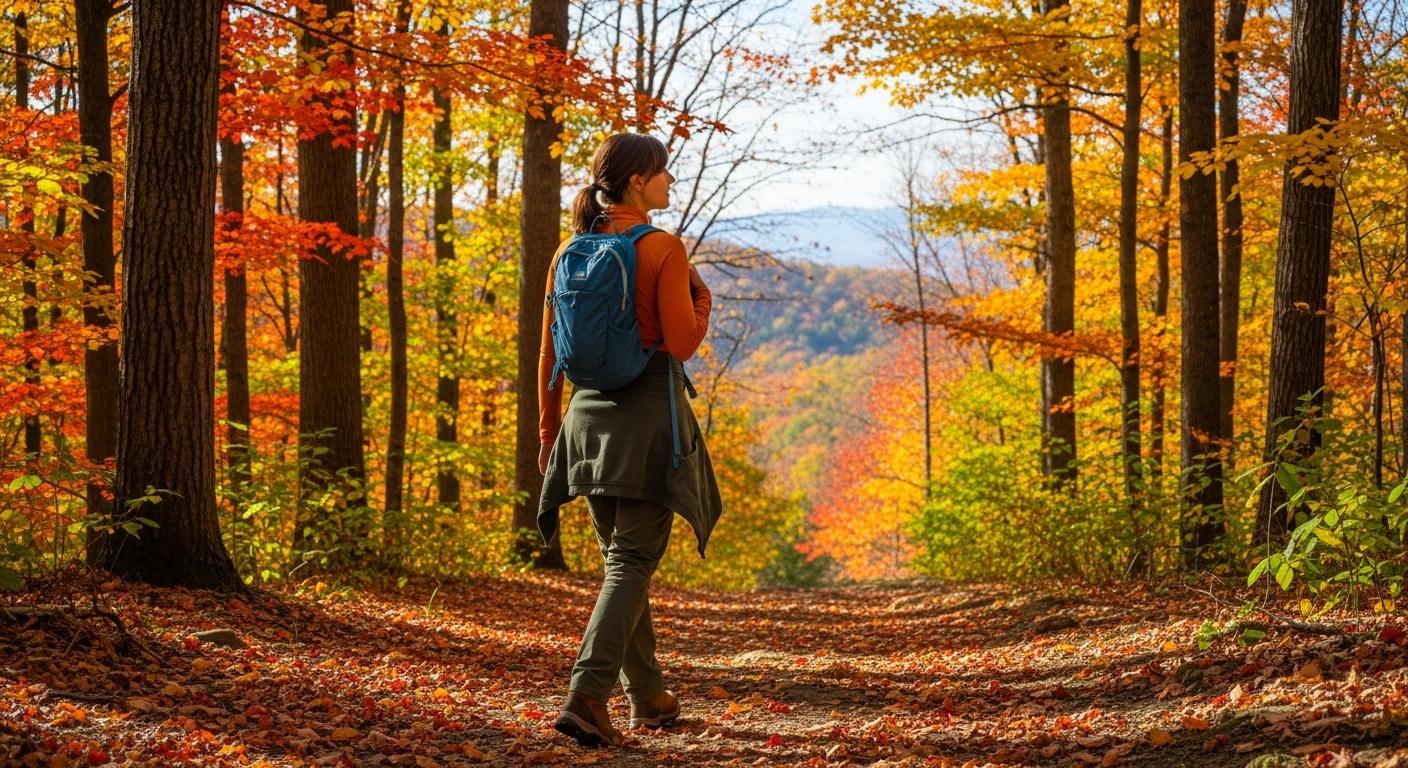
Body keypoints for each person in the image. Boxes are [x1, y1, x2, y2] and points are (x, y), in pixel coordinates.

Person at [536, 133, 723, 747]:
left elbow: (548, 355)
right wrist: (702, 302)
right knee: (632, 561)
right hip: (646, 420)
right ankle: (587, 695)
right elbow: (682, 343)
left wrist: (547, 431)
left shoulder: (569, 248)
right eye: (663, 172)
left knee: (624, 563)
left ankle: (649, 696)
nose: (670, 181)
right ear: (638, 181)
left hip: (584, 424)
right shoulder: (661, 247)